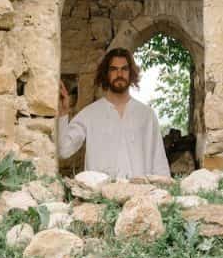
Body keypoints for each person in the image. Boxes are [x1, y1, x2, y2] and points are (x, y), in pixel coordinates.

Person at [56, 47, 171, 178]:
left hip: (139, 195)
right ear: (106, 74)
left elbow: (159, 162)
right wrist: (63, 113)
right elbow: (63, 150)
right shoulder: (90, 114)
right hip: (100, 196)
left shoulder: (147, 115)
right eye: (113, 69)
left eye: (124, 69)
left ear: (130, 73)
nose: (119, 74)